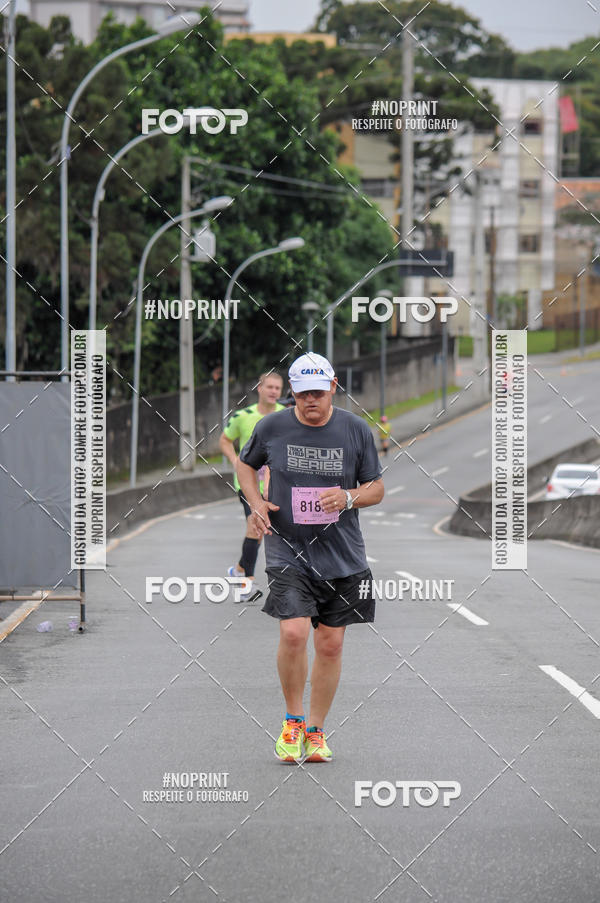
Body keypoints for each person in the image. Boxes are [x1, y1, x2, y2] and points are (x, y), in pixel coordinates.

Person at [237, 352, 384, 762]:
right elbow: (246, 466)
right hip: (288, 546)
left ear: (333, 388)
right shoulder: (272, 426)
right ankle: (293, 720)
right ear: (293, 394)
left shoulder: (354, 429)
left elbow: (377, 487)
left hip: (342, 552)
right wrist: (256, 503)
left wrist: (349, 496)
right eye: (302, 395)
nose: (310, 402)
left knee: (331, 644)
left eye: (318, 393)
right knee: (294, 633)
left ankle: (316, 731)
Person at [219, 371, 284, 600]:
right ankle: (246, 585)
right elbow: (225, 440)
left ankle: (238, 571)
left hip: (275, 483)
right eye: (270, 387)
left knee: (261, 530)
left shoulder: (285, 415)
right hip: (248, 483)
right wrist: (236, 461)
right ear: (259, 388)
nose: (274, 392)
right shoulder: (243, 416)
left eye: (278, 388)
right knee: (253, 526)